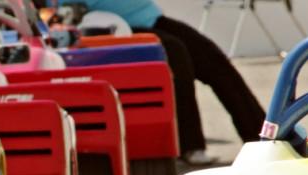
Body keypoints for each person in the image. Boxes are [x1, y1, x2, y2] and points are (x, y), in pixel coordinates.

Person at [76, 0, 267, 165]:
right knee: (176, 56)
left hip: (149, 19)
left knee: (213, 59)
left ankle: (263, 137)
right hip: (109, 28)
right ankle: (188, 146)